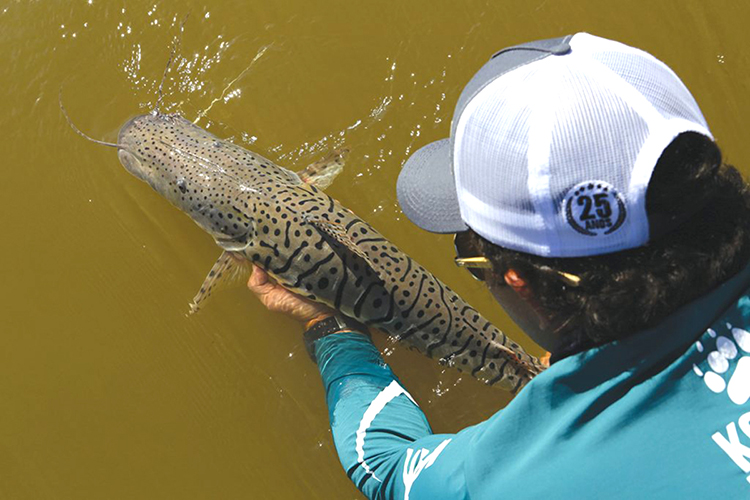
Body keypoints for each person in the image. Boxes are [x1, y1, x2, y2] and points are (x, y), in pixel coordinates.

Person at [248, 33, 750, 498]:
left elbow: (384, 465)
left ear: (522, 284)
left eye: (473, 262)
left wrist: (331, 327)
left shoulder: (524, 475)